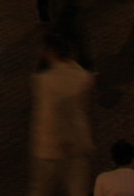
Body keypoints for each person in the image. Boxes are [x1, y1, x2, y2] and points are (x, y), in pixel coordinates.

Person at [29, 38, 93, 196]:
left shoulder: (44, 81)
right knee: (77, 189)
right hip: (77, 143)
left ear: (52, 53)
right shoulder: (83, 77)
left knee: (41, 189)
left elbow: (55, 112)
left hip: (49, 145)